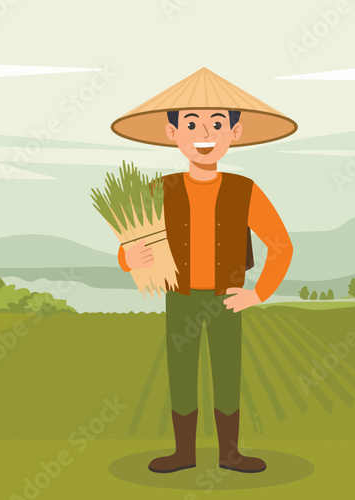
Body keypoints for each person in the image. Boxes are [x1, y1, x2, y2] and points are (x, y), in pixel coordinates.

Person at [112, 67, 297, 473]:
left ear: (235, 132)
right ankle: (183, 453)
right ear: (172, 133)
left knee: (227, 373)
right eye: (191, 123)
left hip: (226, 299)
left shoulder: (244, 190)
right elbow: (130, 246)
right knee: (181, 374)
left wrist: (257, 293)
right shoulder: (158, 190)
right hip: (179, 298)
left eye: (217, 124)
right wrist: (132, 260)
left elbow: (281, 245)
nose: (204, 134)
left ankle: (230, 453)